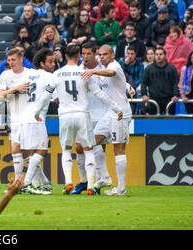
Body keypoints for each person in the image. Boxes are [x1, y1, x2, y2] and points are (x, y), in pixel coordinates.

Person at [34, 43, 123, 195]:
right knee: (88, 150)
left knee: (67, 150)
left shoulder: (57, 74)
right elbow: (100, 94)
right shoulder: (84, 73)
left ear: (65, 55)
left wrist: (36, 111)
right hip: (82, 115)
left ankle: (68, 181)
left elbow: (46, 94)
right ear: (78, 56)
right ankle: (89, 184)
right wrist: (116, 108)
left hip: (65, 116)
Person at [81, 44, 134, 196]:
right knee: (93, 141)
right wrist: (128, 86)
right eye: (101, 54)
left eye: (106, 54)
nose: (102, 56)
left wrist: (92, 71)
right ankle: (104, 176)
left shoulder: (114, 65)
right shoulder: (98, 66)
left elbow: (111, 73)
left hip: (121, 113)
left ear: (112, 55)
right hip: (109, 113)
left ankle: (121, 189)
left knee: (118, 149)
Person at [0, 47, 39, 187]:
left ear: (21, 59)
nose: (11, 62)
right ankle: (40, 182)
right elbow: (0, 96)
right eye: (9, 60)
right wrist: (15, 89)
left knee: (17, 149)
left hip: (29, 118)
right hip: (14, 118)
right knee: (26, 152)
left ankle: (18, 183)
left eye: (13, 59)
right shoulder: (5, 75)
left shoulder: (32, 74)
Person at [72, 42, 107, 195]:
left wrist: (127, 87)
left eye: (88, 54)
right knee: (79, 147)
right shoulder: (78, 69)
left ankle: (97, 183)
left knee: (97, 147)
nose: (85, 57)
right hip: (84, 114)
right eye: (83, 54)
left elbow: (117, 80)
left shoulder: (104, 68)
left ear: (95, 53)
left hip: (102, 114)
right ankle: (84, 181)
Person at [20, 47, 57, 194]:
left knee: (31, 153)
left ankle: (44, 182)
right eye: (50, 62)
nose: (53, 64)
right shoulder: (49, 77)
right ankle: (26, 183)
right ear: (42, 63)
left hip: (24, 116)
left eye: (54, 61)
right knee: (41, 150)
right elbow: (58, 99)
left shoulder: (28, 75)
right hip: (37, 117)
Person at [141, 47, 180, 114]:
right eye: (156, 54)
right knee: (154, 123)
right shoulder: (148, 69)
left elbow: (176, 83)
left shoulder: (172, 68)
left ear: (165, 55)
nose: (158, 56)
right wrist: (144, 94)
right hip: (154, 100)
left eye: (160, 54)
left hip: (169, 100)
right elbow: (144, 83)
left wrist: (176, 95)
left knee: (169, 122)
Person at [119, 45, 144, 114]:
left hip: (134, 88)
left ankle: (136, 113)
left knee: (138, 91)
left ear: (135, 54)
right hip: (122, 88)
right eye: (128, 53)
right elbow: (119, 76)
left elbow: (140, 78)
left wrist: (132, 87)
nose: (129, 56)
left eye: (132, 54)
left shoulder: (140, 64)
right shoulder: (121, 63)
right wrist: (126, 65)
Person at [178, 50, 193, 114]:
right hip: (189, 98)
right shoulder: (185, 69)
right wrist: (183, 96)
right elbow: (181, 85)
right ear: (190, 59)